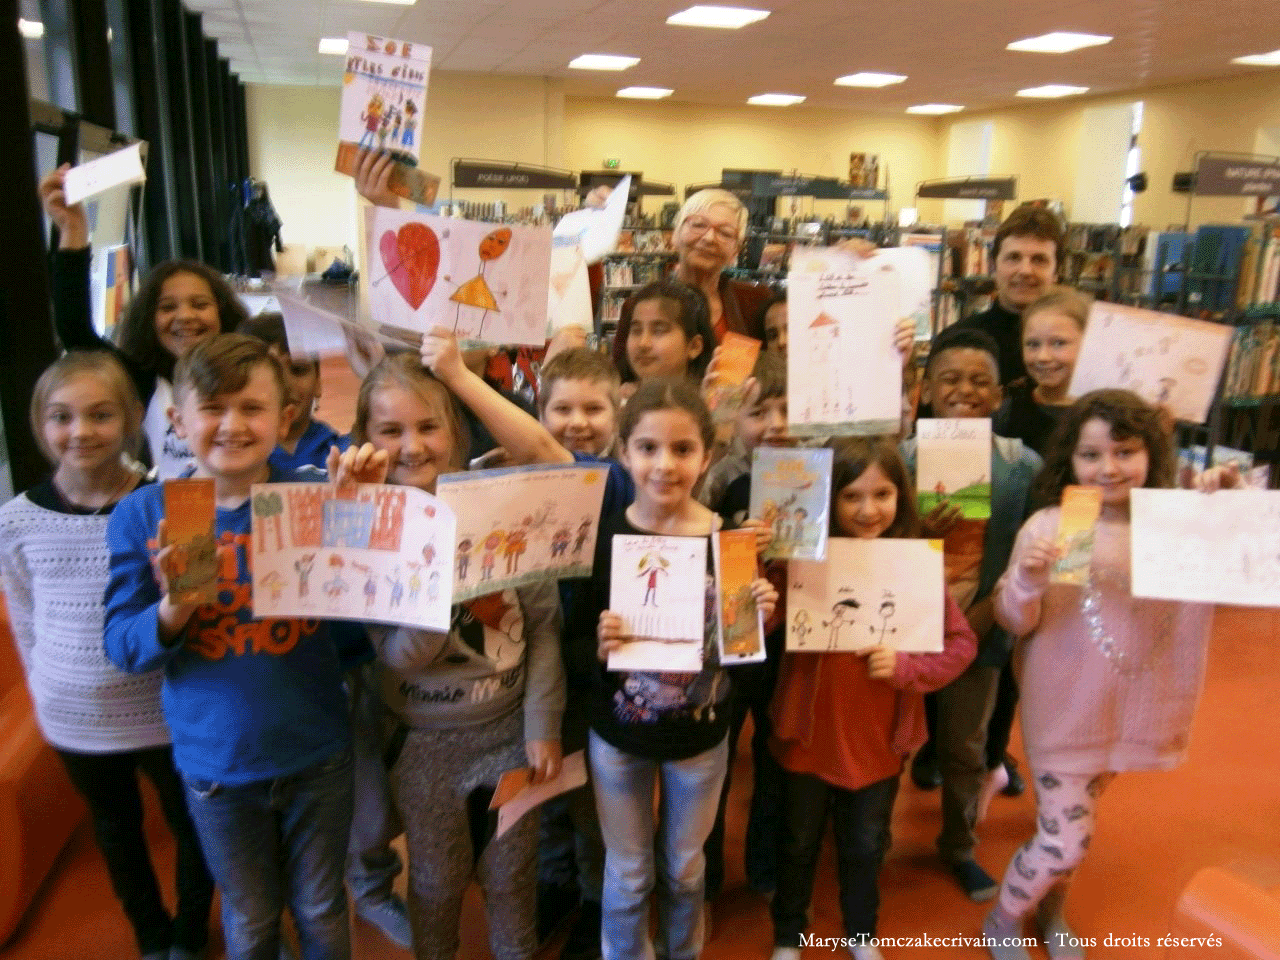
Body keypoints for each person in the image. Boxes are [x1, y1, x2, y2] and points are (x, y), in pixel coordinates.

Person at [103, 334, 377, 960]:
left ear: (284, 416)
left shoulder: (312, 493)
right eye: (213, 408)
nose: (232, 425)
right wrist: (174, 610)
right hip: (217, 766)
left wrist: (357, 509)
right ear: (178, 421)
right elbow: (122, 645)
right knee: (252, 918)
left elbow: (362, 607)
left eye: (252, 408)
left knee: (321, 905)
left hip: (317, 751)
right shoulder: (153, 514)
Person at [982, 389, 1239, 960]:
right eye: (1090, 455)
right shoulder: (1062, 524)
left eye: (1124, 452)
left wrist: (1220, 509)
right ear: (1069, 461)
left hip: (1130, 710)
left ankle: (1048, 910)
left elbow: (1230, 576)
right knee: (1065, 840)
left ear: (1151, 454)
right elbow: (1016, 620)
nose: (1108, 469)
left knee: (1077, 826)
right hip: (1064, 709)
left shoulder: (1171, 522)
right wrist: (1027, 578)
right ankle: (1003, 917)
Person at [0, 352, 213, 960]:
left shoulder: (176, 501)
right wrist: (44, 692)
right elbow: (25, 618)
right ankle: (151, 933)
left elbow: (196, 603)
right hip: (75, 717)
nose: (81, 431)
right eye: (61, 417)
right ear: (41, 426)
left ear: (128, 420)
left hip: (168, 706)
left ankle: (191, 933)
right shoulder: (15, 520)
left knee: (196, 827)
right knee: (118, 833)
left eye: (99, 415)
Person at [352, 351, 565, 960]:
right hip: (423, 745)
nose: (411, 446)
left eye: (427, 427)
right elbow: (400, 657)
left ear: (456, 432)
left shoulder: (500, 505)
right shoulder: (367, 530)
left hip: (510, 735)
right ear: (365, 438)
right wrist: (438, 576)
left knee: (510, 877)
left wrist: (542, 725)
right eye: (389, 431)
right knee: (437, 882)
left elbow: (545, 625)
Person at [768, 438, 976, 960]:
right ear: (829, 502)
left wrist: (908, 668)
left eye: (882, 494)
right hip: (808, 732)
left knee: (865, 844)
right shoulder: (799, 559)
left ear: (901, 499)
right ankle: (789, 934)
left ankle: (861, 934)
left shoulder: (916, 566)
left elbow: (961, 643)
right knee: (796, 843)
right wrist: (760, 582)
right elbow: (761, 623)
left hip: (879, 738)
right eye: (851, 496)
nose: (868, 509)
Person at [591, 379, 778, 960]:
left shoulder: (732, 542)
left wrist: (757, 626)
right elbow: (574, 636)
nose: (664, 465)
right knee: (627, 873)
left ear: (707, 454)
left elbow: (745, 666)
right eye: (647, 448)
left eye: (682, 449)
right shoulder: (607, 533)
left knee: (684, 867)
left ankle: (683, 951)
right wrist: (599, 645)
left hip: (700, 734)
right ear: (624, 453)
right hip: (620, 733)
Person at [902, 327, 1043, 902]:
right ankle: (868, 842)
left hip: (979, 628)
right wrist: (915, 529)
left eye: (979, 381)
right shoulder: (902, 458)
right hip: (905, 624)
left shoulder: (1020, 465)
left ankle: (959, 844)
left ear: (998, 396)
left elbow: (1031, 544)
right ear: (927, 391)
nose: (965, 390)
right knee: (892, 740)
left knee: (965, 745)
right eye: (951, 379)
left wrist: (987, 617)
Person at [39, 166, 250, 478]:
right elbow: (75, 330)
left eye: (200, 304)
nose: (185, 317)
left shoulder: (251, 371)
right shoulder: (139, 381)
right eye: (168, 307)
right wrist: (72, 230)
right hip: (162, 520)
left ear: (222, 313)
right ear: (149, 321)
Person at [610, 189, 771, 373]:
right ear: (675, 236)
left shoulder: (754, 302)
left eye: (725, 233)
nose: (709, 238)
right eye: (698, 225)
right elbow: (621, 375)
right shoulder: (639, 306)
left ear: (736, 250)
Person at [954, 207, 1064, 385]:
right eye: (1013, 257)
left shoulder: (1079, 350)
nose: (1025, 271)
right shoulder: (958, 340)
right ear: (993, 267)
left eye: (1039, 260)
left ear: (1056, 272)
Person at [237, 313, 353, 472]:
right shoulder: (227, 456)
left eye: (298, 370)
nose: (286, 384)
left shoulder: (344, 455)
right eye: (272, 371)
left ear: (318, 382)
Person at [994, 287, 1089, 456]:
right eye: (1033, 344)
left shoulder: (1105, 412)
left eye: (1059, 343)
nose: (1043, 357)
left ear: (1088, 343)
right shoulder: (1008, 412)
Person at [615, 280, 716, 391]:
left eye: (658, 331)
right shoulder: (614, 404)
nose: (643, 343)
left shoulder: (712, 405)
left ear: (694, 346)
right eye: (636, 331)